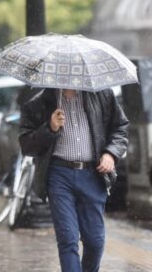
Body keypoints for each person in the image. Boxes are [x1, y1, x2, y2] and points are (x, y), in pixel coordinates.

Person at [19, 88, 128, 272]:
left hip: (93, 174)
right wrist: (49, 128)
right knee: (68, 239)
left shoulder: (102, 94)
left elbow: (120, 128)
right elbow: (27, 145)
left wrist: (111, 153)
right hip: (59, 175)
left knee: (95, 241)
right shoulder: (39, 102)